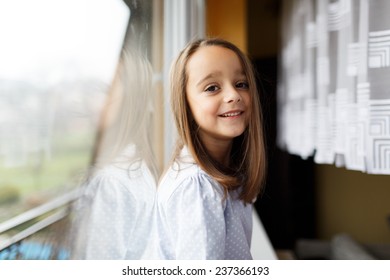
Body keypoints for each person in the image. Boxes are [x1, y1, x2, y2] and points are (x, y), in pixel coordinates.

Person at [150, 38, 267, 259]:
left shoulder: (226, 174)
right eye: (212, 88)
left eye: (241, 84)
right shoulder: (197, 189)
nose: (233, 95)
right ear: (185, 104)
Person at [70, 47, 158, 259]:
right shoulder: (132, 166)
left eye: (100, 88)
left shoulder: (111, 182)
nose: (82, 98)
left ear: (130, 99)